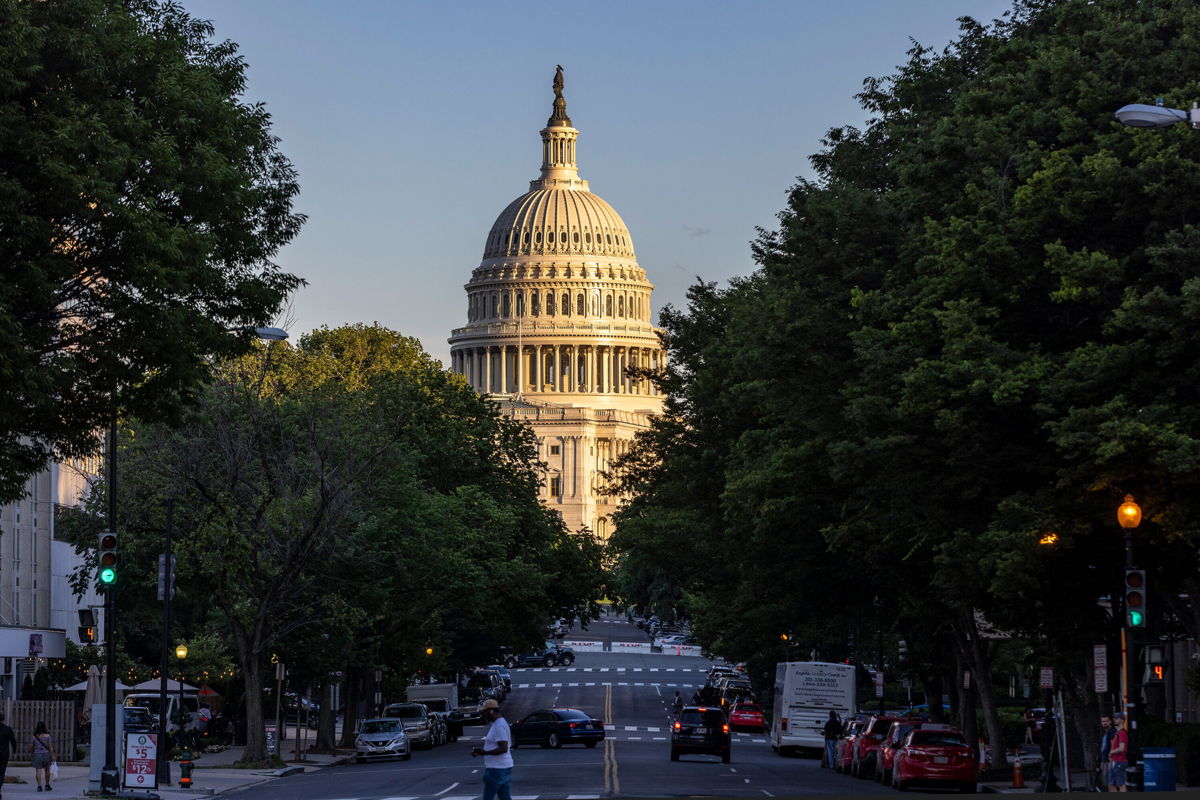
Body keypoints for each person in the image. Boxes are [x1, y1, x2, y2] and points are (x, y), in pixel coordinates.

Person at [470, 698, 512, 800]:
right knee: (504, 796)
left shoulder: (499, 726)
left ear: (491, 711)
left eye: (484, 712)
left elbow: (503, 748)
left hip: (496, 768)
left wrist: (485, 752)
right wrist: (481, 752)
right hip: (503, 767)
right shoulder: (499, 723)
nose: (483, 715)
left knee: (488, 797)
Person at [30, 720, 55, 792]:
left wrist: (30, 750)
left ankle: (39, 786)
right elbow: (50, 747)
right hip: (46, 754)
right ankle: (47, 785)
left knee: (38, 770)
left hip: (37, 755)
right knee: (47, 770)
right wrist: (52, 755)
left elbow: (31, 747)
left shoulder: (34, 737)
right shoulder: (48, 736)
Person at [1108, 713, 1129, 792]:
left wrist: (1111, 752)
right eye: (1114, 718)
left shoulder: (1122, 733)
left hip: (1119, 761)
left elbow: (1122, 748)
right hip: (1115, 761)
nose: (1114, 720)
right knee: (1111, 784)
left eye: (1116, 718)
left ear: (1121, 720)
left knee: (1121, 784)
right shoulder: (1117, 733)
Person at [0, 711, 17, 798]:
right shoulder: (7, 729)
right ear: (4, 718)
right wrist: (14, 750)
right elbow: (13, 741)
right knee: (1, 772)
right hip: (4, 753)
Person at [1096, 714, 1115, 791]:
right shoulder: (1105, 734)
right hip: (1104, 761)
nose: (1104, 723)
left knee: (1110, 782)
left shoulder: (1112, 732)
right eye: (1103, 721)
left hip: (1109, 761)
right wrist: (1101, 761)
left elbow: (1113, 745)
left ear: (1110, 722)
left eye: (1106, 721)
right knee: (1106, 782)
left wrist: (1111, 759)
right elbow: (1103, 748)